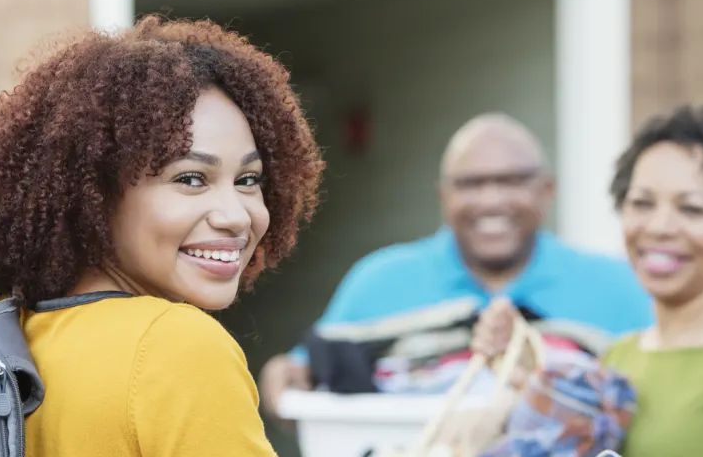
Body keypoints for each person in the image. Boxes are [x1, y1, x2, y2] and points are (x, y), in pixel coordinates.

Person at [0, 16, 324, 456]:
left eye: (248, 180)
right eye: (191, 179)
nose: (236, 217)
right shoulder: (177, 346)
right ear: (92, 194)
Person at [471, 105, 703, 456]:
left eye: (691, 209)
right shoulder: (619, 356)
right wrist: (529, 377)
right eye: (641, 203)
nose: (659, 227)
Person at [260, 113, 653, 421]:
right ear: (444, 196)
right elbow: (304, 383)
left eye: (512, 181)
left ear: (547, 190)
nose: (491, 200)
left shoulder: (618, 286)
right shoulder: (379, 281)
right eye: (470, 184)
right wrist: (282, 376)